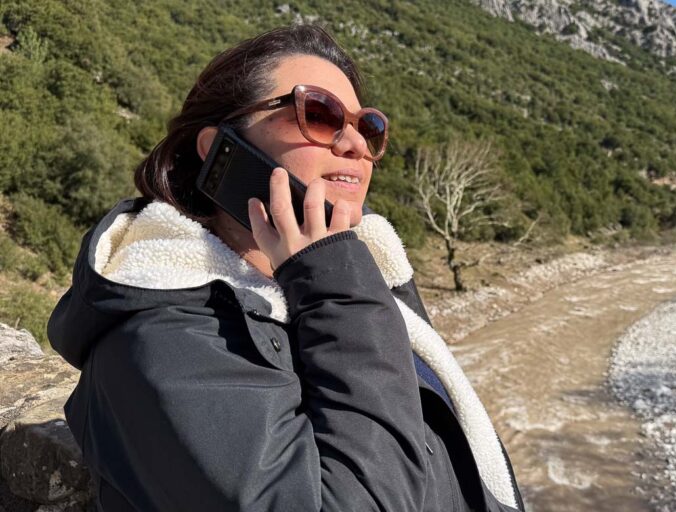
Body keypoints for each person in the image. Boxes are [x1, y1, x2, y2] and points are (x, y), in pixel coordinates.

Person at [48, 24, 525, 511]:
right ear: (218, 146)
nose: (356, 144)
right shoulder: (164, 340)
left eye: (369, 127)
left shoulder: (358, 274)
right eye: (319, 114)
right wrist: (335, 286)